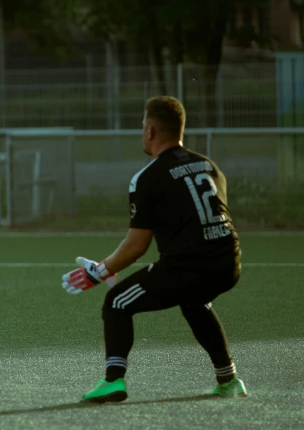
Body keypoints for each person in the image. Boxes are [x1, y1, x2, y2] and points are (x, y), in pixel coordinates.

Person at [61, 96, 245, 403]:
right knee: (195, 301)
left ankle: (113, 381)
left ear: (150, 131)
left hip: (189, 267)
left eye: (142, 126)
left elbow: (136, 246)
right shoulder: (209, 166)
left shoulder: (147, 177)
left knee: (117, 302)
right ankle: (229, 380)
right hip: (230, 263)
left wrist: (99, 272)